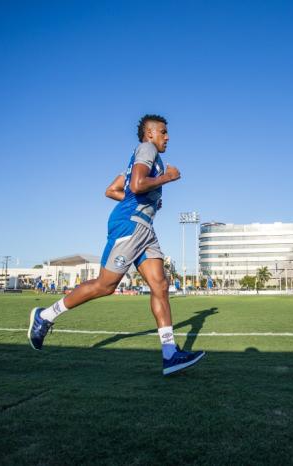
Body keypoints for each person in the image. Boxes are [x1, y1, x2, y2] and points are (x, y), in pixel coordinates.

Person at [28, 114, 205, 376]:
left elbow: (112, 190)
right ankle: (45, 316)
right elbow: (137, 184)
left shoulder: (143, 159)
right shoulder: (146, 150)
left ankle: (170, 354)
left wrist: (147, 199)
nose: (167, 137)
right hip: (130, 225)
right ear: (150, 134)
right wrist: (166, 178)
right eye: (163, 132)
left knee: (160, 285)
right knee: (105, 285)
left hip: (145, 227)